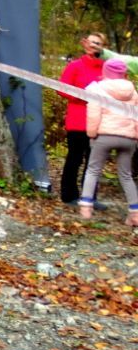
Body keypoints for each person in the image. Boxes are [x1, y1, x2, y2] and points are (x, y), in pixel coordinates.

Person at [79, 56, 138, 226]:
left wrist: (92, 134)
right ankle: (135, 214)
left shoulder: (98, 89)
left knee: (93, 171)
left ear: (106, 71)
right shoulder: (133, 92)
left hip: (104, 136)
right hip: (128, 138)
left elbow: (93, 113)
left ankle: (86, 210)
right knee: (126, 176)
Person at [57, 33, 107, 204]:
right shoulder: (75, 66)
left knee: (94, 162)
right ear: (85, 44)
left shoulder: (107, 68)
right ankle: (69, 195)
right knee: (74, 159)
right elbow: (61, 89)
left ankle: (89, 197)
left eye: (98, 43)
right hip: (78, 120)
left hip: (100, 122)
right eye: (92, 42)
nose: (95, 45)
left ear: (103, 47)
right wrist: (83, 96)